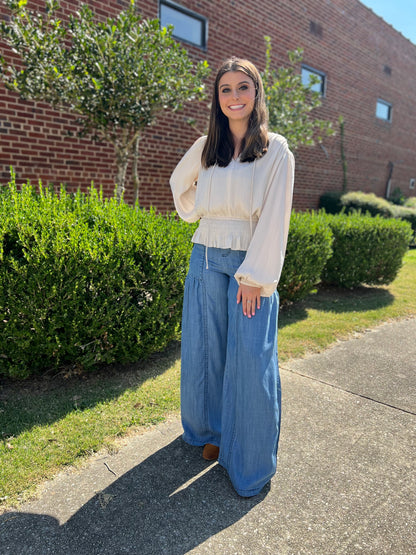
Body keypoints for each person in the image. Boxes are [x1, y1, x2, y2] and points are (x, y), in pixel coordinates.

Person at [170, 57, 295, 497]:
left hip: (249, 265)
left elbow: (276, 216)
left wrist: (255, 276)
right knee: (206, 349)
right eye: (226, 89)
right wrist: (197, 211)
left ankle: (249, 463)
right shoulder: (208, 145)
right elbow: (176, 184)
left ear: (257, 93)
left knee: (250, 359)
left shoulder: (276, 149)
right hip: (205, 254)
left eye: (243, 87)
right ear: (217, 98)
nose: (234, 96)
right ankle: (213, 433)